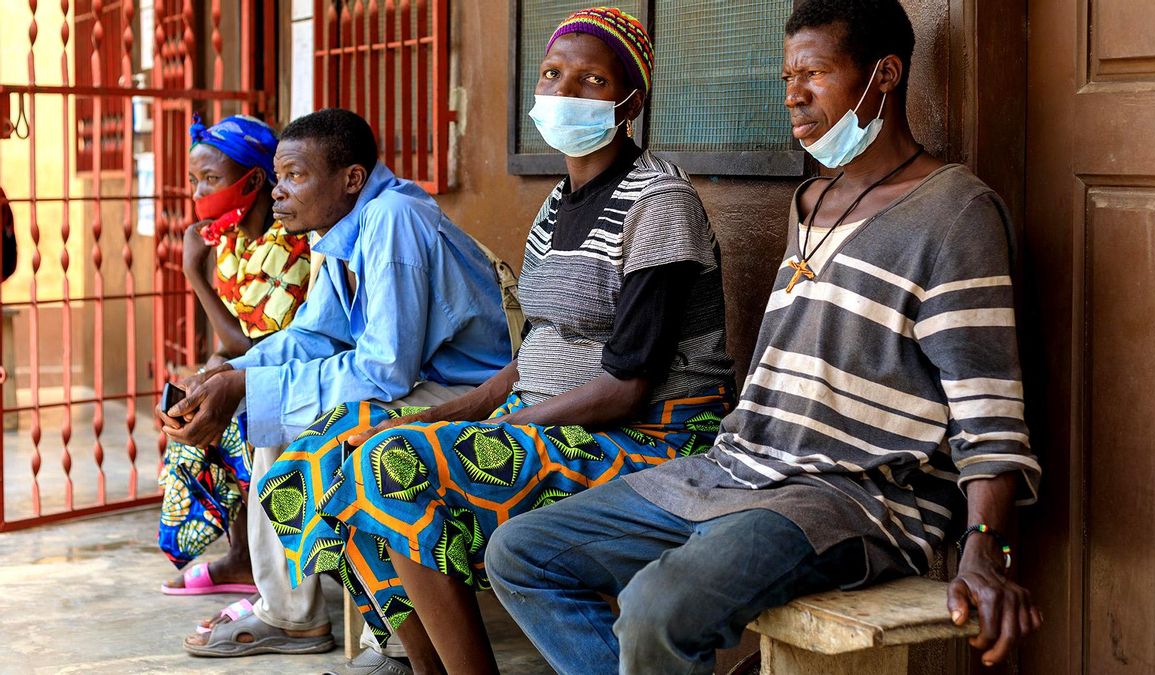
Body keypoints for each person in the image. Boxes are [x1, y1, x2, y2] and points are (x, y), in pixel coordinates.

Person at [485, 1, 1044, 673]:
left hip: (851, 495)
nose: (793, 96)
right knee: (521, 552)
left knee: (658, 608)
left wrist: (986, 547)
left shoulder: (955, 212)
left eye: (815, 74)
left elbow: (989, 410)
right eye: (787, 78)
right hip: (738, 468)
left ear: (885, 75)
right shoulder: (810, 203)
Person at [259, 8, 734, 674]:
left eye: (592, 80)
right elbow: (532, 354)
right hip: (552, 421)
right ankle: (422, 663)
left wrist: (492, 428)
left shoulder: (659, 203)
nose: (564, 90)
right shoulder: (557, 204)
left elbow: (626, 388)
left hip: (646, 438)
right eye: (552, 73)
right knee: (322, 454)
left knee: (391, 464)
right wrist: (442, 415)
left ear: (629, 103)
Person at [160, 108, 513, 658]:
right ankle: (289, 613)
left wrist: (250, 388)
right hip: (419, 381)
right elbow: (316, 334)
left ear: (351, 178)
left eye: (295, 175)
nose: (278, 191)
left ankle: (393, 641)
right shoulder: (342, 229)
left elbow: (384, 369)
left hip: (475, 395)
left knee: (327, 435)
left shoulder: (394, 217)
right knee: (272, 421)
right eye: (278, 176)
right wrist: (229, 373)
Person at [158, 114, 310, 599]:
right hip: (252, 368)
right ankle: (242, 555)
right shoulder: (232, 239)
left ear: (254, 180)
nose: (199, 192)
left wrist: (194, 276)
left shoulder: (290, 245)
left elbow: (256, 347)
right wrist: (208, 370)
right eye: (194, 180)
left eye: (210, 178)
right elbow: (233, 341)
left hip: (292, 376)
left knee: (227, 419)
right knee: (188, 406)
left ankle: (257, 563)